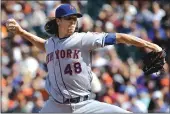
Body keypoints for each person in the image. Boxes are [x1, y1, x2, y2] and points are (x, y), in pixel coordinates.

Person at [6, 3, 162, 113]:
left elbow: (120, 37)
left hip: (85, 105)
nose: (73, 22)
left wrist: (149, 45)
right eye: (69, 19)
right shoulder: (51, 43)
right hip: (56, 106)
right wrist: (21, 32)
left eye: (75, 19)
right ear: (58, 21)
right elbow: (43, 45)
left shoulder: (83, 39)